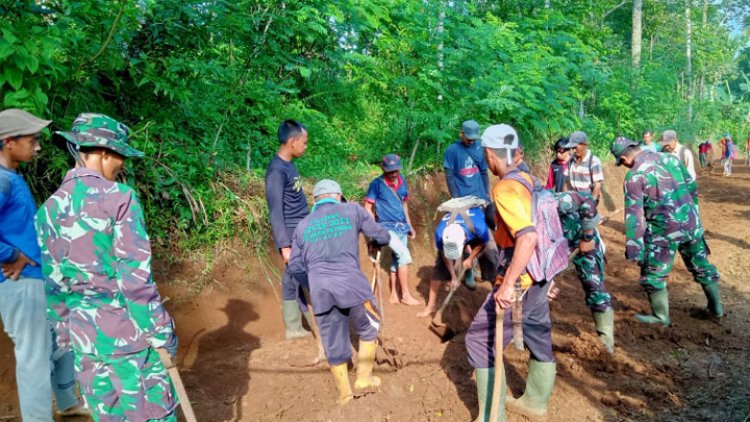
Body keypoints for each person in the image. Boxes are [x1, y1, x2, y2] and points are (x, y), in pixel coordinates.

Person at [36, 113, 179, 420]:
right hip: (127, 341)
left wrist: (67, 336)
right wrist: (162, 333)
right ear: (103, 153)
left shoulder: (48, 209)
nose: (122, 164)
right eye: (120, 156)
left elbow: (52, 286)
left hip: (84, 344)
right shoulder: (120, 199)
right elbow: (135, 282)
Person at [465, 124, 558, 421]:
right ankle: (534, 402)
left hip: (522, 277)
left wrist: (508, 286)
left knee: (479, 340)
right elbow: (547, 230)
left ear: (491, 155)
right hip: (539, 274)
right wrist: (548, 275)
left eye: (485, 156)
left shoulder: (505, 187)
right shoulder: (531, 180)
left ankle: (493, 416)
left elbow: (528, 236)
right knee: (537, 332)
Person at [0, 109, 86, 421]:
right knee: (34, 358)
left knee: (62, 342)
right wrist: (11, 256)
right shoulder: (1, 180)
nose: (37, 146)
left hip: (35, 279)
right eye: (32, 139)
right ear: (9, 142)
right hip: (20, 282)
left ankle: (67, 405)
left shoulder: (11, 178)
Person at [287, 179, 391, 405]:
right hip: (352, 285)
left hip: (321, 292)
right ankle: (363, 379)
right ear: (339, 196)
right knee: (368, 327)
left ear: (315, 201)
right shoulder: (352, 209)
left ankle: (344, 394)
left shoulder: (303, 225)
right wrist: (374, 242)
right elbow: (383, 236)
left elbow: (294, 266)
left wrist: (314, 282)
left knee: (333, 340)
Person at [609, 137, 723, 326]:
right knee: (702, 265)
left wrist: (635, 250)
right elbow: (692, 189)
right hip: (691, 223)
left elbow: (634, 217)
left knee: (653, 275)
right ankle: (716, 309)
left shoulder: (634, 176)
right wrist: (695, 220)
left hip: (663, 232)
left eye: (622, 163)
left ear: (623, 158)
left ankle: (661, 317)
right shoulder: (670, 159)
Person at [265, 120, 313, 339]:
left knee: (297, 275)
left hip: (301, 230)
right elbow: (275, 211)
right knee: (294, 275)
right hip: (291, 233)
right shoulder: (276, 171)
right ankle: (294, 327)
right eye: (303, 142)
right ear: (292, 142)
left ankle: (300, 325)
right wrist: (284, 246)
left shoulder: (290, 165)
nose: (305, 146)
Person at [553, 191, 614, 354]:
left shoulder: (552, 202)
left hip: (584, 243)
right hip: (556, 250)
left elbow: (587, 200)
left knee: (593, 285)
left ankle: (607, 344)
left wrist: (587, 237)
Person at [415, 205, 498, 318]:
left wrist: (470, 258)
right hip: (460, 228)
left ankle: (498, 300)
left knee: (491, 262)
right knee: (439, 271)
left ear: (464, 239)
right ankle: (431, 306)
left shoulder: (480, 227)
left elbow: (482, 243)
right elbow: (445, 254)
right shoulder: (440, 234)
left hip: (475, 230)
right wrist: (453, 276)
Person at [364, 154, 421, 306]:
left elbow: (404, 204)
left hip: (401, 226)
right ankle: (406, 295)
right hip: (386, 227)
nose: (394, 173)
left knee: (397, 260)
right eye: (390, 170)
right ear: (383, 169)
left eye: (396, 170)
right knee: (404, 255)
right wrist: (375, 228)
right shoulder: (376, 184)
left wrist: (409, 225)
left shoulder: (403, 181)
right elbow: (368, 207)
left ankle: (394, 294)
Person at [443, 120, 490, 201]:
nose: (471, 141)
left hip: (480, 196)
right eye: (469, 138)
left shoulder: (481, 148)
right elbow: (449, 176)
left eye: (474, 139)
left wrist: (486, 193)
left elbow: (484, 172)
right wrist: (455, 198)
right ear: (462, 134)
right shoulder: (452, 150)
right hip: (462, 197)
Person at [564, 131, 604, 203]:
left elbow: (597, 185)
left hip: (588, 197)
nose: (573, 150)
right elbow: (566, 181)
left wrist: (591, 202)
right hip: (575, 196)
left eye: (575, 147)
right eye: (572, 148)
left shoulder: (594, 161)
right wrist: (564, 197)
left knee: (587, 211)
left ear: (584, 144)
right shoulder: (571, 161)